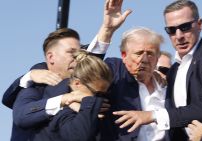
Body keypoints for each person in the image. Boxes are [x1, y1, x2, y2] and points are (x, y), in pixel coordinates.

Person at [113, 0, 202, 141]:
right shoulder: (173, 72)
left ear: (200, 24)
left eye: (185, 27)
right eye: (171, 30)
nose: (179, 36)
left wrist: (151, 115)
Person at [2, 0, 131, 140]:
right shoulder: (34, 83)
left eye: (80, 51)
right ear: (51, 57)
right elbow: (21, 115)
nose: (77, 57)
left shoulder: (78, 78)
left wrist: (107, 30)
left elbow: (89, 61)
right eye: (71, 52)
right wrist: (67, 99)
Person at [14, 50, 113, 141]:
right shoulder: (58, 106)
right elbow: (79, 136)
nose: (99, 98)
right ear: (77, 84)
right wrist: (87, 105)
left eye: (103, 94)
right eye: (96, 93)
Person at [97, 27, 169, 141]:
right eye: (139, 53)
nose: (144, 59)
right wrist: (106, 30)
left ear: (157, 57)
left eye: (150, 54)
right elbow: (89, 73)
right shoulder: (116, 70)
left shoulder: (166, 86)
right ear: (124, 56)